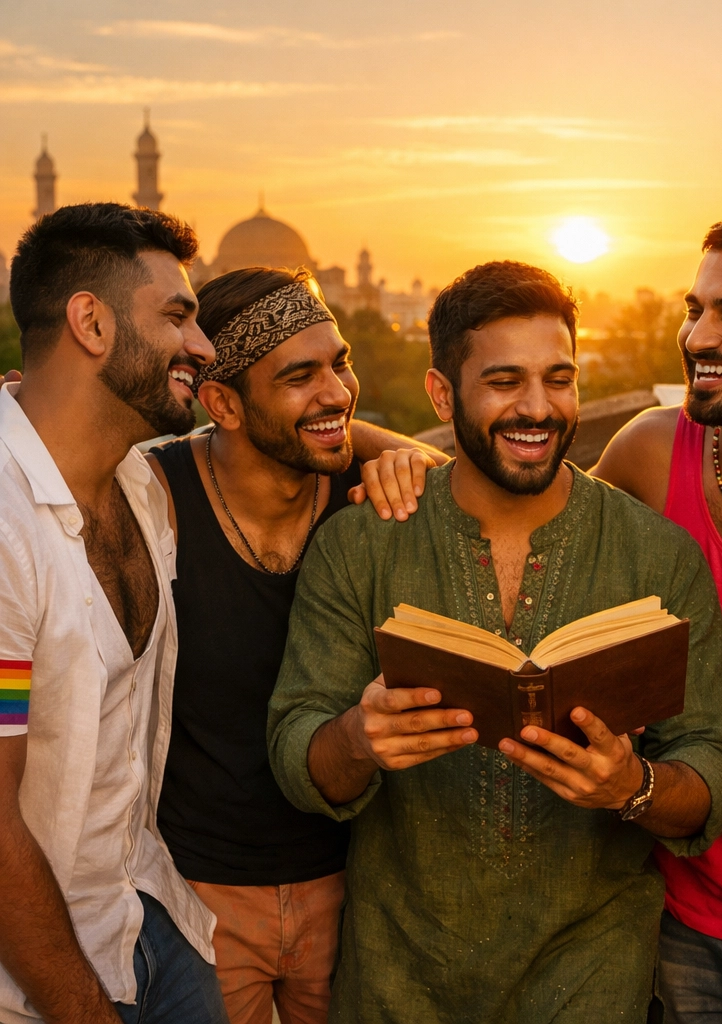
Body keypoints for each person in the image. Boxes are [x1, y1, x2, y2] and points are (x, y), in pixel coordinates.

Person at [356, 210, 722, 1022]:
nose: (699, 336)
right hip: (677, 918)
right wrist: (384, 450)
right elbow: (526, 485)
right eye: (695, 308)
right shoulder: (653, 450)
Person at [268, 260, 722, 1024]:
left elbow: (713, 763)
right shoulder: (361, 545)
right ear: (440, 394)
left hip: (592, 981)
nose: (538, 407)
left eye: (559, 378)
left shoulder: (657, 557)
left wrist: (631, 787)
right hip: (397, 985)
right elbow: (297, 751)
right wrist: (361, 738)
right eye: (503, 381)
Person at [146, 266, 448, 1024]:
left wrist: (398, 452)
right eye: (300, 375)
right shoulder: (155, 502)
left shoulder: (366, 496)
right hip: (201, 903)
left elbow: (463, 488)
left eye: (340, 362)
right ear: (223, 404)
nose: (339, 392)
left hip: (351, 893)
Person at [0, 203, 228, 1023]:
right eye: (178, 316)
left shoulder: (141, 487)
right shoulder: (6, 535)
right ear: (90, 322)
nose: (203, 348)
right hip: (45, 981)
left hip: (150, 917)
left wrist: (406, 459)